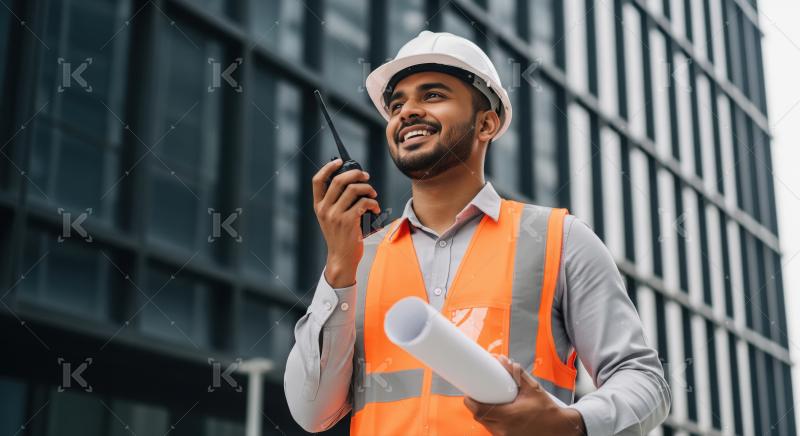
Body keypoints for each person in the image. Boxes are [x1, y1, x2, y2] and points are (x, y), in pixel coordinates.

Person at [284, 30, 671, 435]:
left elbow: (643, 378)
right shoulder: (357, 259)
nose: (407, 112)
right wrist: (339, 267)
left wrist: (574, 423)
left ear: (486, 123)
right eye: (397, 104)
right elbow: (313, 413)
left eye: (432, 95)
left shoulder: (560, 239)